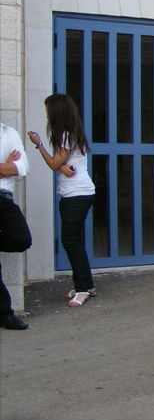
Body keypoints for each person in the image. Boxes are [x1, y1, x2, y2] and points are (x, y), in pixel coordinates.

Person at [28, 94, 96, 308]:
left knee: (70, 241)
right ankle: (87, 285)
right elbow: (62, 164)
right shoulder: (73, 133)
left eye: (48, 110)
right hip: (78, 192)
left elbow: (53, 163)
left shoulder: (66, 135)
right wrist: (62, 167)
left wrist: (39, 144)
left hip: (76, 194)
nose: (47, 115)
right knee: (75, 240)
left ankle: (82, 289)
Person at [0, 122, 32, 330]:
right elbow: (12, 168)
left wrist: (11, 168)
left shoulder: (8, 133)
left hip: (4, 199)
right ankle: (5, 313)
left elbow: (22, 167)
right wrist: (5, 167)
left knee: (21, 239)